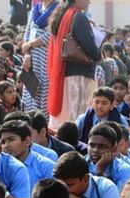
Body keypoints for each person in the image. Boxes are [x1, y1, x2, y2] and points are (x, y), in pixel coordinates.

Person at [48, 0, 102, 131]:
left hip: (66, 72)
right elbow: (88, 44)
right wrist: (99, 57)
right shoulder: (78, 16)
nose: (89, 2)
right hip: (79, 75)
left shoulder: (62, 15)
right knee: (78, 120)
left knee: (67, 119)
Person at [22, 0, 59, 112]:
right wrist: (27, 55)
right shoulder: (35, 9)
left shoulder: (58, 9)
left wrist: (30, 44)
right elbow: (27, 34)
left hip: (47, 59)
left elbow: (52, 35)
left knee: (45, 93)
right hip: (32, 60)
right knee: (31, 91)